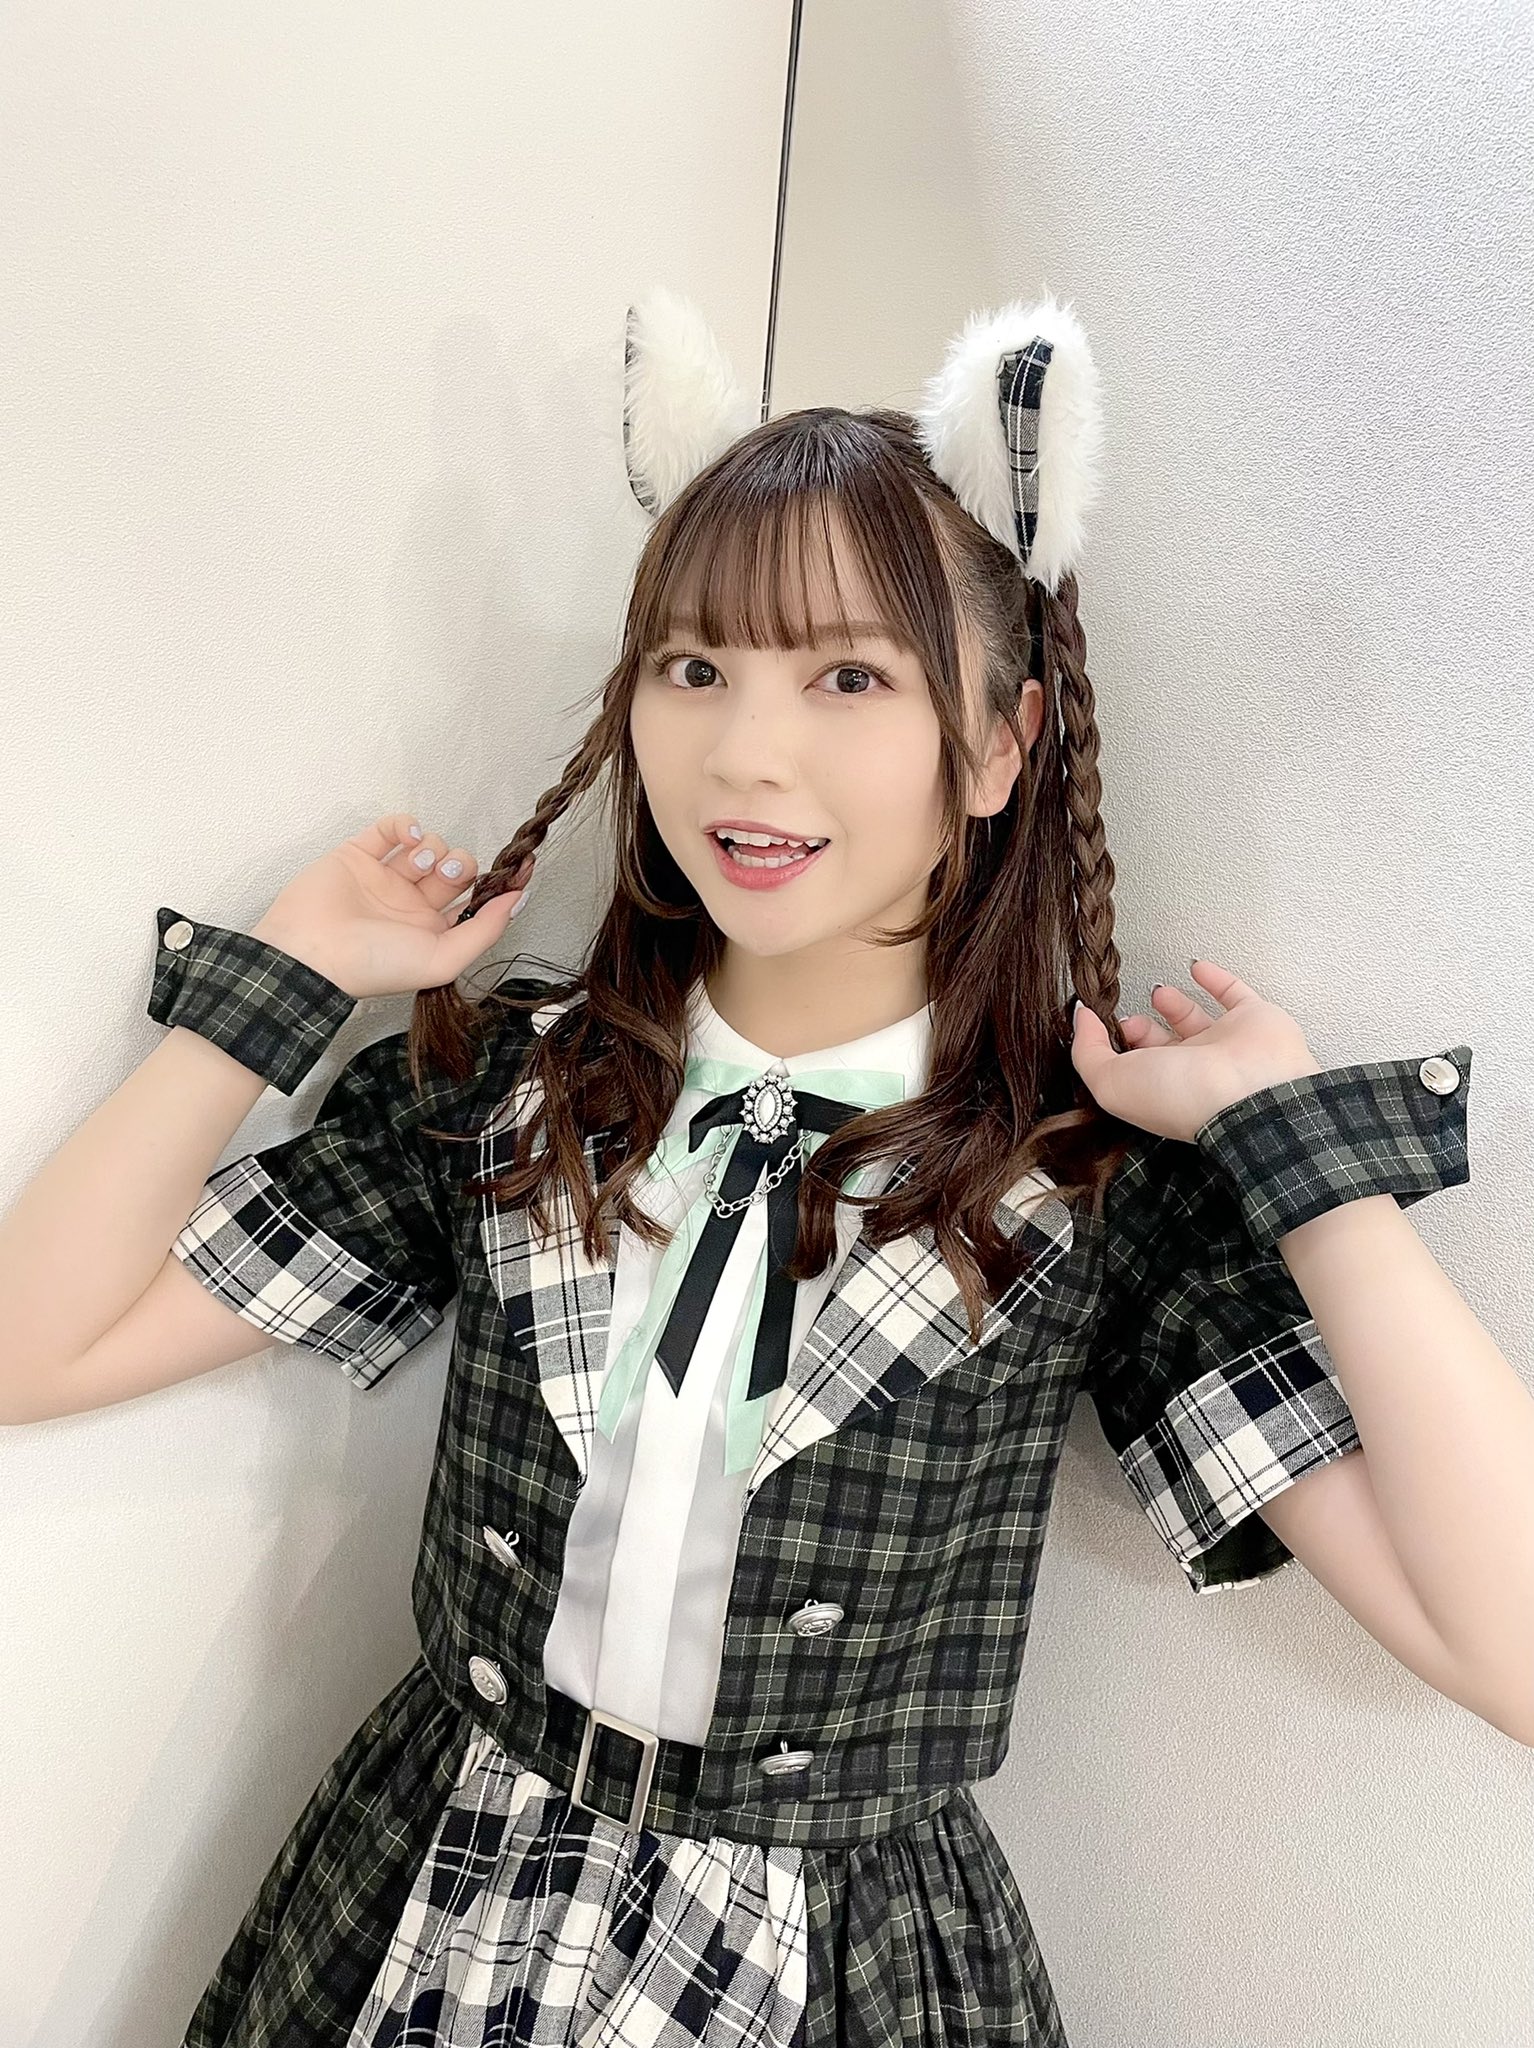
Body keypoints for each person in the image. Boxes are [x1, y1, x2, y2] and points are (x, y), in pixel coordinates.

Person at [0, 289, 1489, 2047]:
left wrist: (1302, 1167)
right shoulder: (512, 1094)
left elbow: (1502, 1646)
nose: (742, 751)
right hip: (435, 1895)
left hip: (840, 1964)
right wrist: (284, 986)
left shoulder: (1079, 1189)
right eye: (693, 666)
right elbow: (34, 1348)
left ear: (999, 745)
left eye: (849, 676)